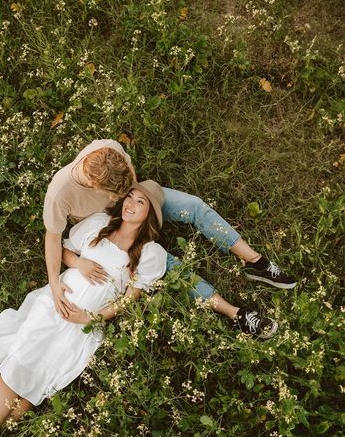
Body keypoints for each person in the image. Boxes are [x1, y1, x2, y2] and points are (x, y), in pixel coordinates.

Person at [0, 181, 167, 437]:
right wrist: (79, 264)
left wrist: (89, 319)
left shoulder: (149, 253)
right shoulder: (100, 223)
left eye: (140, 202)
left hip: (83, 322)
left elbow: (128, 301)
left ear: (149, 215)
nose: (131, 204)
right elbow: (63, 251)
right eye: (130, 197)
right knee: (20, 360)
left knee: (40, 377)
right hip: (55, 302)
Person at [43, 139, 296, 338]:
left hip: (138, 199)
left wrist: (134, 195)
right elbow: (53, 238)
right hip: (111, 223)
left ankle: (256, 262)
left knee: (194, 206)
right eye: (113, 193)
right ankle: (236, 313)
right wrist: (55, 281)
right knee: (168, 265)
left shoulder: (110, 150)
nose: (117, 196)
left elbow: (128, 177)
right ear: (92, 183)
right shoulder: (60, 194)